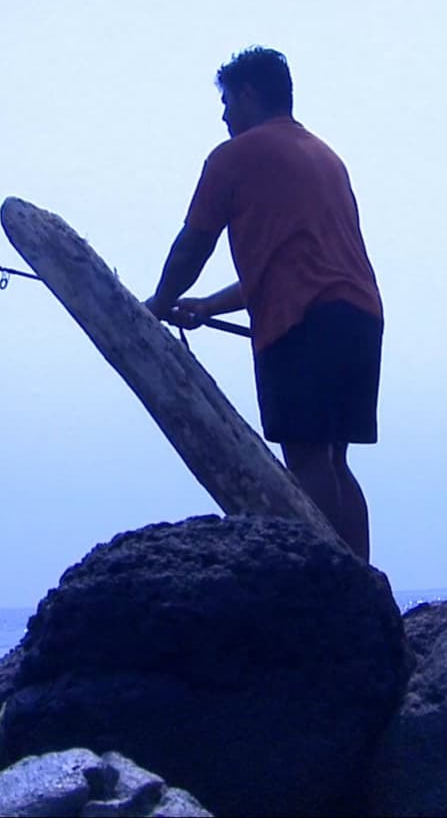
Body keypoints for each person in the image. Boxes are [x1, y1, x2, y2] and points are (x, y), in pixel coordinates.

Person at [143, 47, 384, 561]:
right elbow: (288, 265)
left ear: (249, 94)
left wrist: (157, 305)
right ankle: (365, 582)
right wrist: (206, 305)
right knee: (334, 459)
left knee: (305, 456)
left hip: (305, 321)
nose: (225, 114)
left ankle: (327, 581)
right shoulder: (324, 157)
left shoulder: (234, 156)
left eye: (228, 101)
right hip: (357, 316)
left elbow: (194, 244)